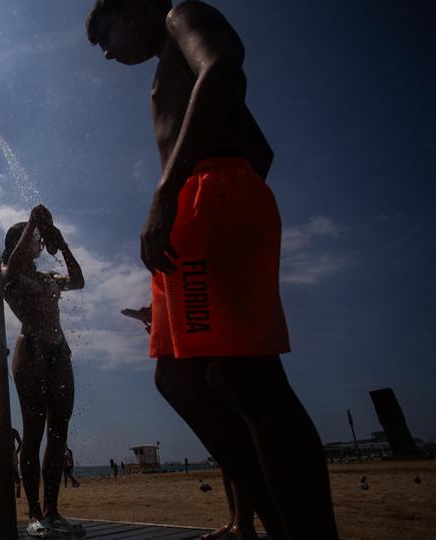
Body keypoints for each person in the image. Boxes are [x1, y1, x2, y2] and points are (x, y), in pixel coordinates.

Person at [87, 2, 338, 537]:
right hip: (198, 203)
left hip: (200, 196)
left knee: (249, 377)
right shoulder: (168, 63)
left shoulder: (182, 14)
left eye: (106, 33)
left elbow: (223, 67)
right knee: (178, 377)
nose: (107, 52)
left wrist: (176, 188)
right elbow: (261, 148)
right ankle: (278, 521)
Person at [123, 306, 257, 540]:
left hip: (208, 321)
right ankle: (237, 520)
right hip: (194, 321)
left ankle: (245, 523)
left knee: (232, 427)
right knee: (226, 432)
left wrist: (162, 313)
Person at [2, 204, 85, 538]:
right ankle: (34, 514)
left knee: (59, 430)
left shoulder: (47, 278)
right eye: (33, 238)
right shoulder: (9, 271)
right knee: (34, 430)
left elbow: (78, 281)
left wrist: (62, 244)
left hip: (58, 351)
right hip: (32, 350)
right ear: (20, 240)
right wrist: (33, 222)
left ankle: (52, 511)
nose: (39, 242)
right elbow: (13, 267)